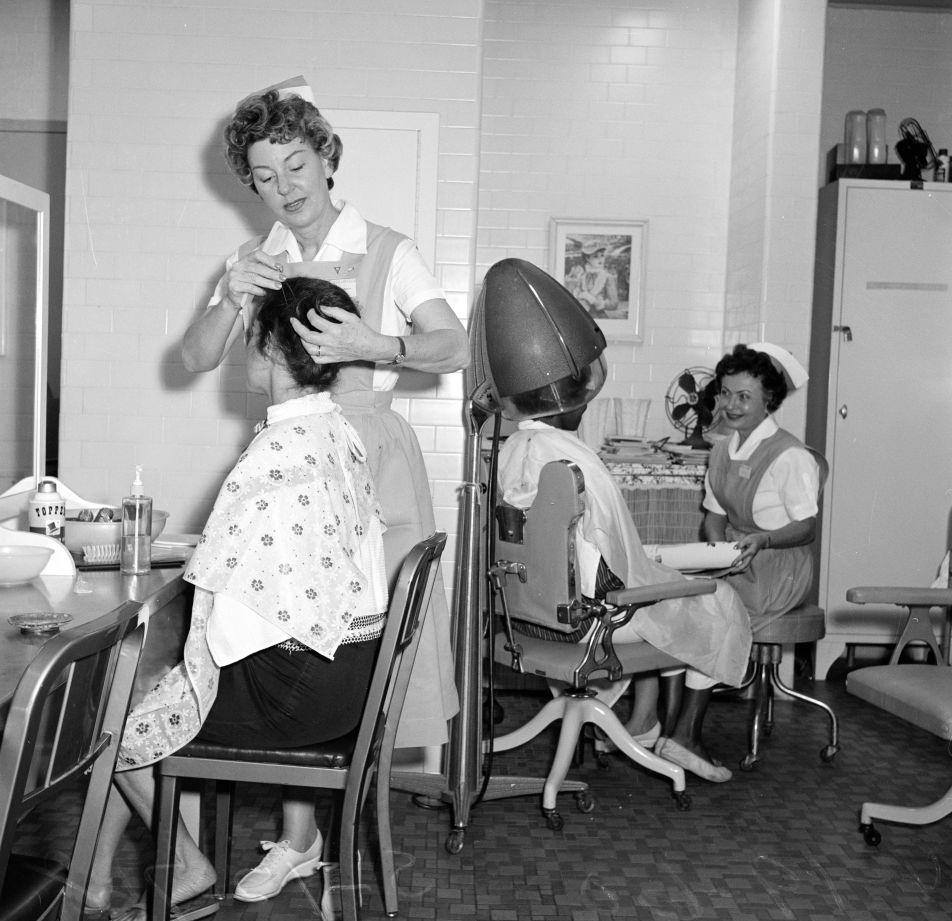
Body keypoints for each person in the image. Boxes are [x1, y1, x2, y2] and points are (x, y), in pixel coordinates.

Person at [180, 77, 467, 757]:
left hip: (373, 462)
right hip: (293, 461)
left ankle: (350, 803)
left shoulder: (390, 250)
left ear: (328, 155)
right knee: (289, 640)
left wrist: (380, 346)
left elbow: (452, 343)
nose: (285, 185)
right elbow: (194, 358)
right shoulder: (255, 261)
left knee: (372, 640)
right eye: (264, 174)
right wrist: (228, 298)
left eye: (297, 164)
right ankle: (299, 832)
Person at [85, 278, 389, 919]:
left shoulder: (276, 451)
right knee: (143, 698)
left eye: (252, 337)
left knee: (111, 721)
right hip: (348, 679)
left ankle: (187, 868)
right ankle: (106, 879)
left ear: (275, 352)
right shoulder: (339, 432)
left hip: (299, 701)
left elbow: (226, 612)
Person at [497, 404, 752, 783]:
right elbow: (613, 573)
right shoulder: (571, 463)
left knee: (667, 603)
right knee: (718, 598)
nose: (585, 408)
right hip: (586, 626)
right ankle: (686, 736)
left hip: (523, 620)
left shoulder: (514, 448)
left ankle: (644, 720)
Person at [702, 343, 822, 633]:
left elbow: (806, 528)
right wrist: (722, 552)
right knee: (681, 608)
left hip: (777, 571)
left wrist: (762, 541)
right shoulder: (720, 451)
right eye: (726, 393)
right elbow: (715, 516)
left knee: (706, 624)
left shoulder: (789, 455)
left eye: (744, 397)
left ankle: (710, 679)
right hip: (735, 565)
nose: (731, 405)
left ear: (768, 401)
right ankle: (703, 679)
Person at [565, 241, 619, 318]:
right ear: (587, 258)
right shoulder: (582, 277)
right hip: (583, 316)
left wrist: (595, 301)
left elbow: (614, 303)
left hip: (599, 317)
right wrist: (579, 295)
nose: (600, 259)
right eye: (596, 256)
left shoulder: (608, 277)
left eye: (602, 255)